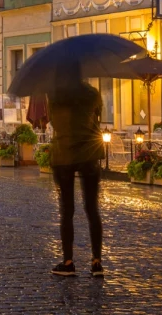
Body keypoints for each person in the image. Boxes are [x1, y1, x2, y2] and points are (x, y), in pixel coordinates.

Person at [48, 72, 105, 279]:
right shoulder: (92, 93)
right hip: (89, 153)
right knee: (92, 208)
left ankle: (68, 262)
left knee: (67, 210)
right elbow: (97, 118)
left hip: (64, 155)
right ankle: (97, 262)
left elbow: (52, 121)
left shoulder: (55, 94)